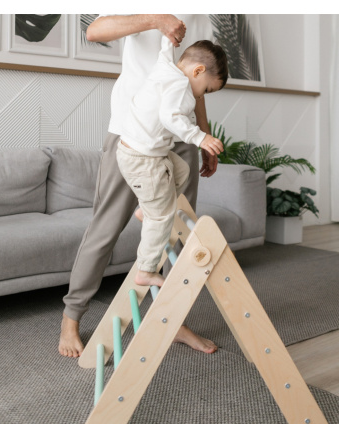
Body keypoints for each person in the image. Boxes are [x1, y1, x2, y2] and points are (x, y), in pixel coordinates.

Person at [58, 15, 222, 358]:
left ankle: (172, 320)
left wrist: (203, 138)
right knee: (105, 229)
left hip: (179, 136)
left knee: (176, 232)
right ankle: (71, 318)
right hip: (133, 135)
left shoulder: (200, 16)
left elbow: (196, 81)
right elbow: (94, 31)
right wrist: (156, 20)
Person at [118, 37, 227, 287]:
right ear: (198, 71)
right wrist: (200, 137)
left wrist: (168, 39)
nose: (201, 96)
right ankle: (145, 270)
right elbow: (170, 117)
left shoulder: (166, 66)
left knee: (181, 170)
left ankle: (145, 210)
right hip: (144, 159)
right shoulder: (181, 86)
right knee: (161, 216)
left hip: (140, 153)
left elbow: (164, 50)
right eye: (206, 89)